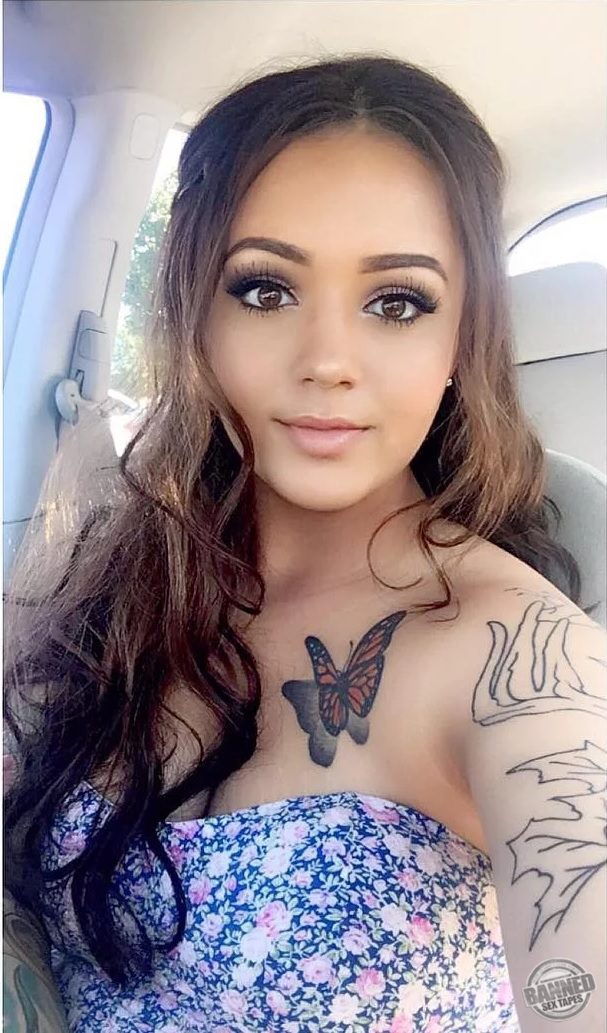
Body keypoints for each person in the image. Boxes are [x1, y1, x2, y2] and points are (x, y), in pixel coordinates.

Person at [4, 54, 605, 1033]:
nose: (327, 361)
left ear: (461, 338)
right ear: (193, 314)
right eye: (264, 289)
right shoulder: (128, 560)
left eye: (396, 302)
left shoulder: (518, 660)